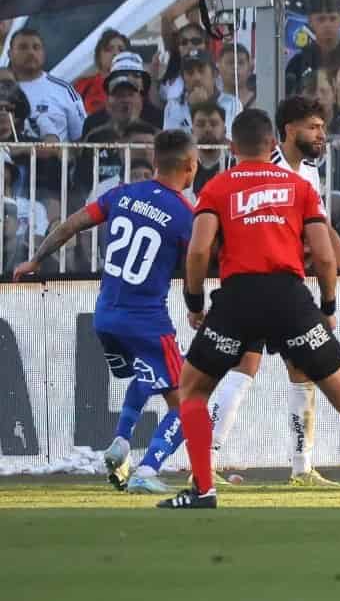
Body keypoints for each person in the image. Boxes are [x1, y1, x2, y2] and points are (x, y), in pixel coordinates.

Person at [162, 109, 340, 509]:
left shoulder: (216, 187)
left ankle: (203, 489)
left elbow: (199, 251)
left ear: (233, 148)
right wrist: (326, 304)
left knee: (193, 389)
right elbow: (324, 256)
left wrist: (195, 301)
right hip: (289, 297)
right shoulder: (299, 187)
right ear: (272, 143)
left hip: (237, 298)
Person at [12, 130, 199, 494]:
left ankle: (121, 442)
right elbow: (198, 261)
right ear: (191, 167)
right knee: (189, 403)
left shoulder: (122, 194)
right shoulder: (184, 214)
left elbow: (69, 225)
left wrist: (35, 259)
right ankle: (147, 469)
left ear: (155, 161)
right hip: (146, 320)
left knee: (148, 374)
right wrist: (197, 307)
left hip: (105, 316)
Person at [201, 96, 340, 487]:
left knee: (300, 371)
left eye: (322, 127)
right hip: (258, 283)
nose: (321, 135)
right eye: (313, 127)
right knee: (244, 366)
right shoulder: (266, 169)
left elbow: (323, 229)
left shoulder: (308, 175)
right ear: (289, 130)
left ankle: (301, 468)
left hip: (287, 285)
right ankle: (206, 459)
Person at [9, 27, 87, 142]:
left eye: (36, 47)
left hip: (57, 159)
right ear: (10, 53)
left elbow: (81, 139)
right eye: (23, 47)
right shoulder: (3, 88)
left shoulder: (65, 90)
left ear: (43, 53)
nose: (31, 52)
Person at [284, 0, 340, 95]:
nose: (327, 25)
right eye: (321, 19)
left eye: (332, 19)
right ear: (310, 22)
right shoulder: (298, 63)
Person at [73, 29, 128, 116]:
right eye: (109, 49)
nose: (116, 53)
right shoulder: (83, 85)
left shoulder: (137, 85)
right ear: (99, 55)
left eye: (121, 50)